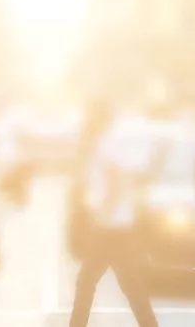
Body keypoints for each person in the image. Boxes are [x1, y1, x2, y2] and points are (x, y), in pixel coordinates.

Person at [67, 107, 158, 327]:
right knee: (129, 284)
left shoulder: (105, 144)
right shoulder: (110, 143)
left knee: (87, 282)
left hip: (109, 226)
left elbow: (114, 180)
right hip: (117, 225)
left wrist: (103, 212)